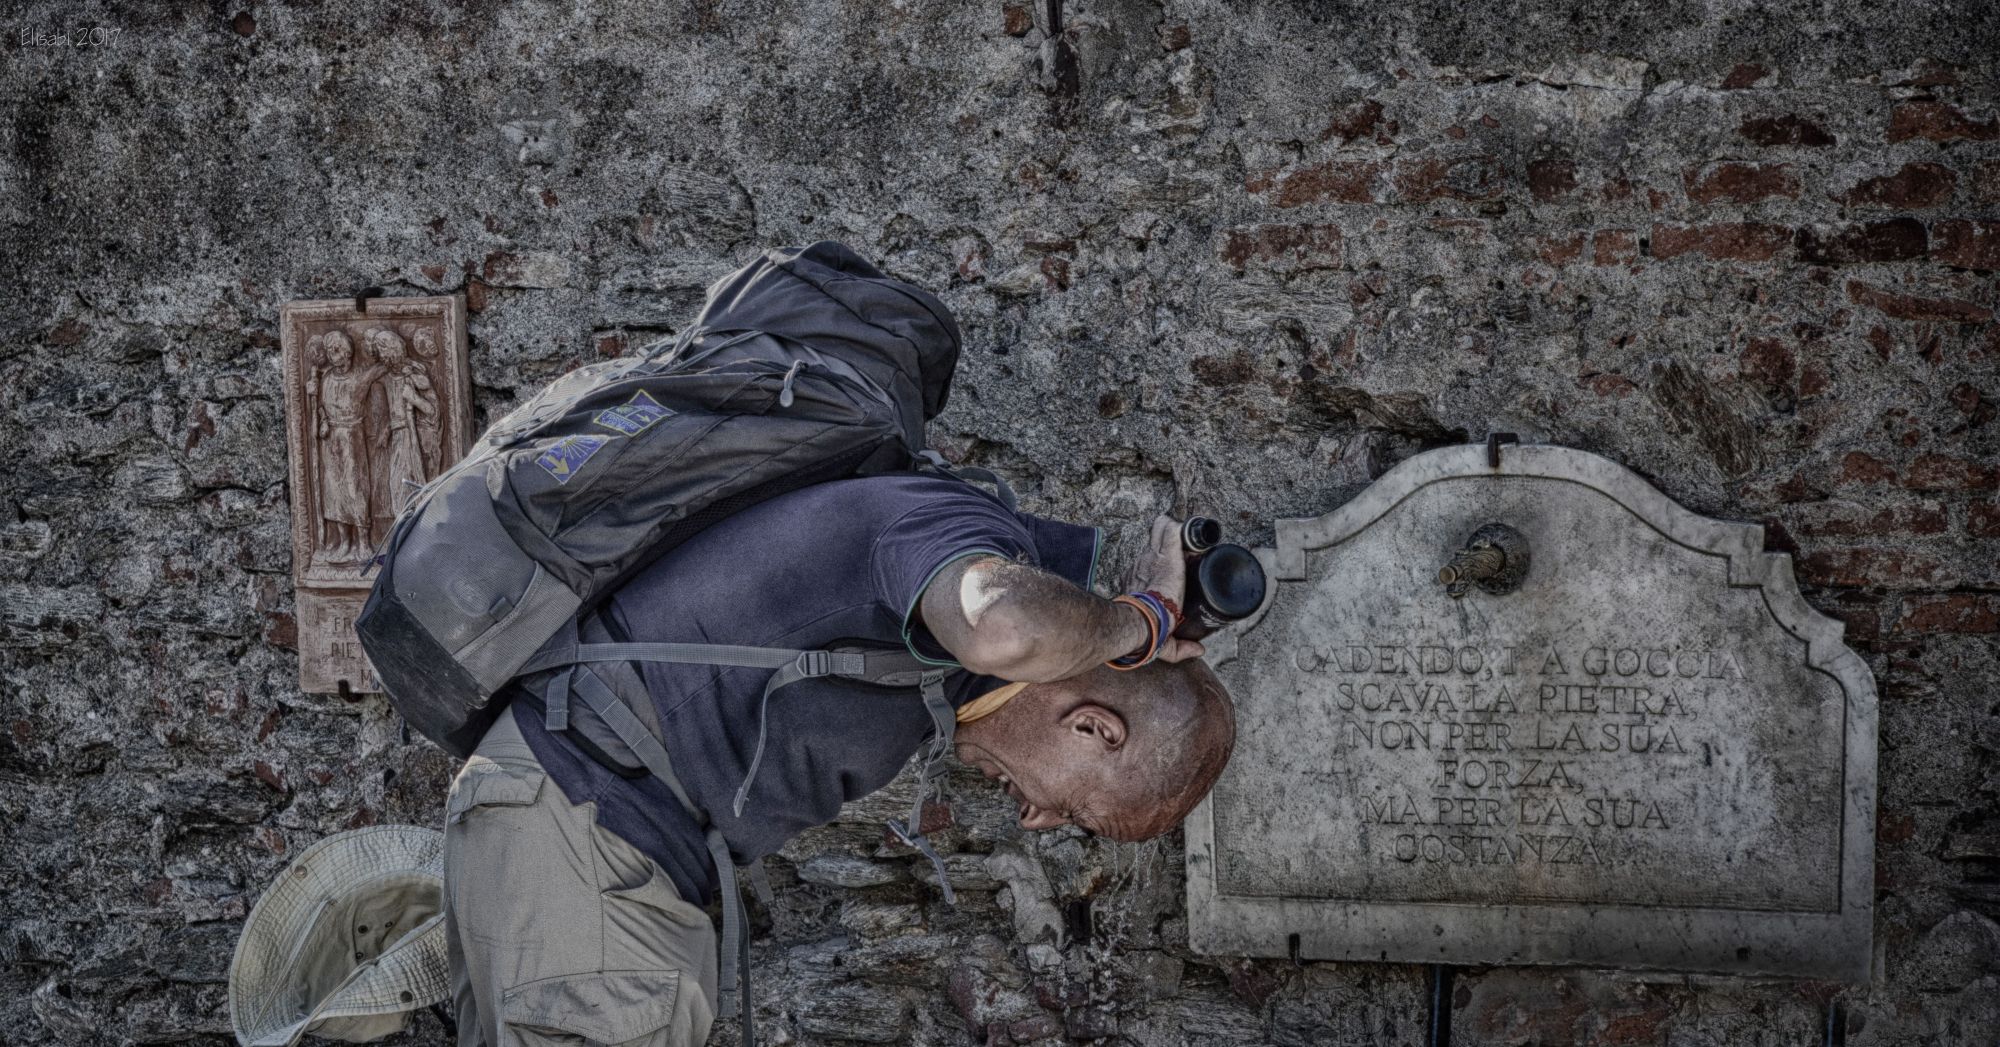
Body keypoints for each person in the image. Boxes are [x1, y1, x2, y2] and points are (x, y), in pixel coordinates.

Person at [441, 474, 1236, 1046]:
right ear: (1096, 728)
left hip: (584, 850)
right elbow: (1003, 625)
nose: (1037, 817)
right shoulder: (956, 537)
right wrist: (1142, 620)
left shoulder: (946, 670)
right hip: (582, 837)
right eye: (1078, 812)